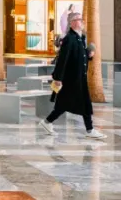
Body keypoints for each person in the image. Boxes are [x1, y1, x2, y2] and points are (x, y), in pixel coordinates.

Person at [38, 12, 105, 140]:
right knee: (73, 104)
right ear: (73, 22)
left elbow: (77, 55)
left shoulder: (80, 37)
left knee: (70, 104)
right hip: (71, 79)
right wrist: (58, 78)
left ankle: (47, 122)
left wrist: (88, 54)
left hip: (79, 77)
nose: (82, 21)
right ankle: (88, 130)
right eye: (79, 19)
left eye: (81, 19)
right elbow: (63, 59)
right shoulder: (69, 38)